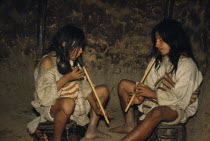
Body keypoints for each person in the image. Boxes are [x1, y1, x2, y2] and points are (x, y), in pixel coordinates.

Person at [109, 19, 203, 141]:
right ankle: (129, 125)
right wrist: (140, 97)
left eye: (161, 40)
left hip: (177, 108)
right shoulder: (159, 59)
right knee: (123, 85)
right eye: (156, 40)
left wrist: (151, 94)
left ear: (173, 40)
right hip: (157, 98)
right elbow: (148, 85)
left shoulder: (188, 66)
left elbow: (181, 100)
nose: (157, 44)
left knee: (157, 112)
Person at [27, 25, 110, 141]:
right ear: (64, 44)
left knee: (103, 90)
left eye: (82, 47)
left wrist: (96, 107)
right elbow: (43, 97)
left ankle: (91, 130)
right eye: (78, 46)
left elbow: (85, 87)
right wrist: (66, 78)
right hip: (52, 105)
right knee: (68, 103)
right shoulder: (48, 61)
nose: (81, 51)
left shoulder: (73, 61)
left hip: (77, 101)